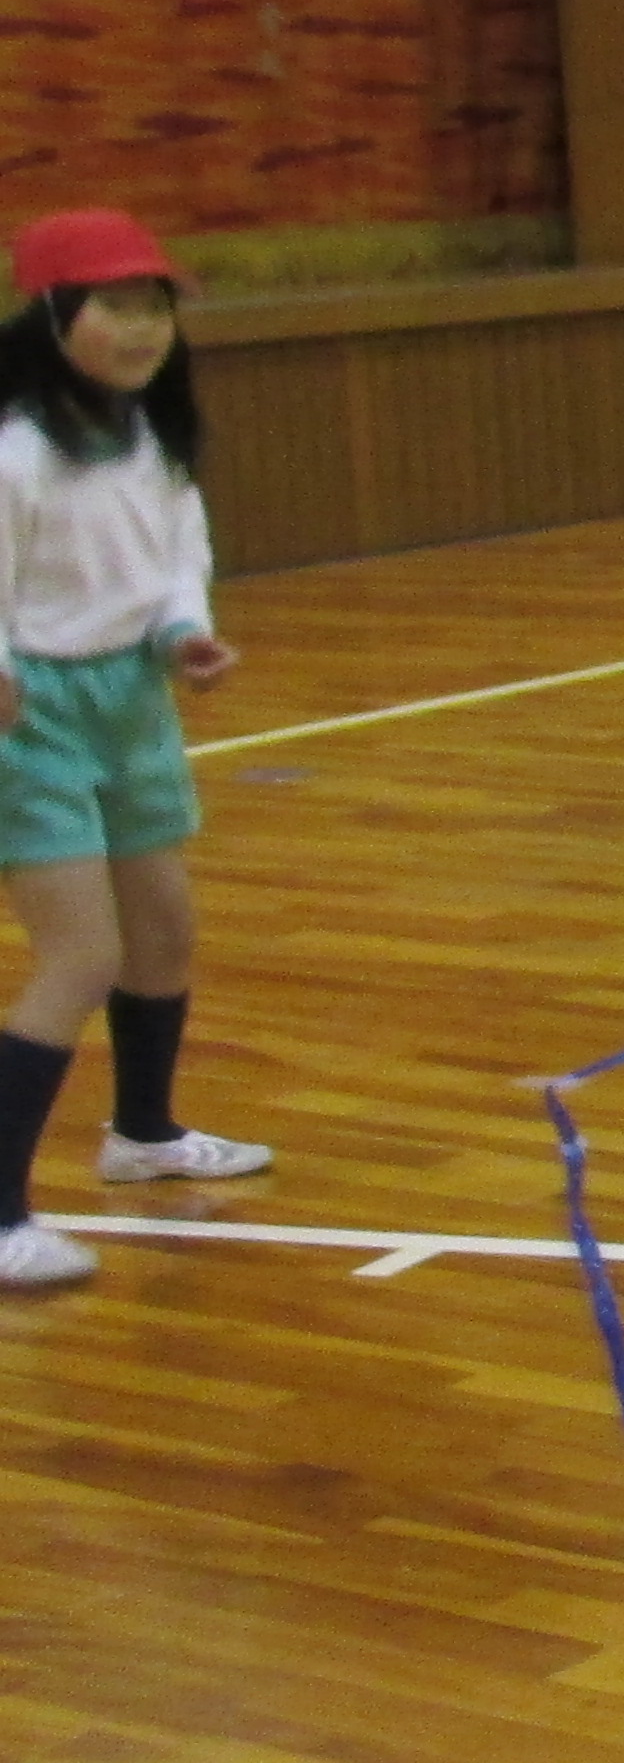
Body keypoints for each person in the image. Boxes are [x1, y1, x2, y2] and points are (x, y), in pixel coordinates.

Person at [1, 209, 270, 1294]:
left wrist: (183, 633)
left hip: (132, 705)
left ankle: (143, 1135)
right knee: (79, 956)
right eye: (114, 305)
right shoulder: (16, 450)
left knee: (163, 934)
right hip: (32, 719)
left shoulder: (153, 437)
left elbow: (175, 560)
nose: (142, 326)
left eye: (155, 305)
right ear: (54, 315)